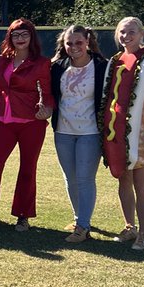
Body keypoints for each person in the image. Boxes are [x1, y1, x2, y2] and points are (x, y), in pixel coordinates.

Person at [0, 18, 53, 232]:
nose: (20, 39)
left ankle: (23, 216)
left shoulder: (42, 63)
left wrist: (47, 109)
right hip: (4, 122)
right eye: (16, 35)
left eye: (24, 34)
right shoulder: (4, 60)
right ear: (10, 38)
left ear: (32, 37)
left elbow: (47, 92)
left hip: (31, 123)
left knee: (27, 170)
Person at [100, 16, 144, 252]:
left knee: (141, 183)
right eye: (121, 32)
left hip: (143, 130)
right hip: (118, 130)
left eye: (131, 32)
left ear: (142, 34)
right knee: (123, 179)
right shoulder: (116, 60)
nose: (125, 36)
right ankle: (129, 226)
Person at [50, 25, 107, 244]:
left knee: (85, 179)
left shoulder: (102, 66)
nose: (74, 47)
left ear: (87, 41)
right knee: (70, 178)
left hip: (90, 132)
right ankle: (78, 219)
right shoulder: (57, 67)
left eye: (79, 42)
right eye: (69, 43)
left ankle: (83, 226)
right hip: (63, 131)